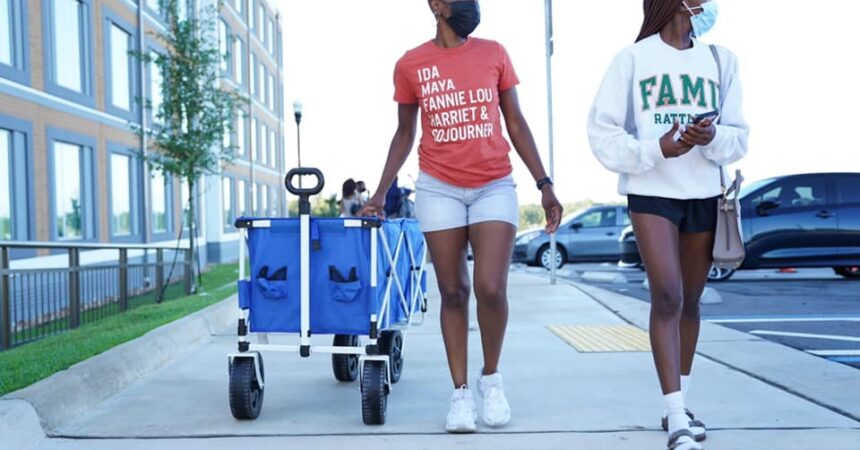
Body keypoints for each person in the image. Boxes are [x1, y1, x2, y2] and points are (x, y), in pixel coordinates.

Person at [359, 0, 562, 434]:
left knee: (490, 287)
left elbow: (516, 121)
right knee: (452, 291)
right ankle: (461, 394)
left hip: (493, 184)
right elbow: (404, 133)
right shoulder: (411, 64)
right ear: (437, 5)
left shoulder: (494, 53)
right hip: (438, 186)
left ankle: (491, 378)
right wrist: (379, 192)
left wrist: (544, 183)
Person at [587, 1, 748, 449]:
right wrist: (655, 149)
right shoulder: (633, 59)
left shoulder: (722, 59)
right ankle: (677, 416)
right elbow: (602, 133)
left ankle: (679, 402)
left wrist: (711, 137)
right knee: (668, 295)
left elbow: (740, 137)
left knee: (691, 302)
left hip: (704, 194)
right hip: (652, 191)